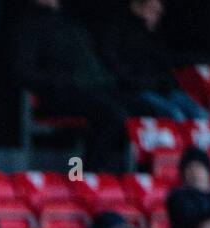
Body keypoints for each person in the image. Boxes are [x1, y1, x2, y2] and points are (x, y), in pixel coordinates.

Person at [12, 0, 130, 173]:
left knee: (142, 108)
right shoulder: (27, 26)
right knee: (113, 115)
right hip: (58, 97)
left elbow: (94, 67)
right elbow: (22, 71)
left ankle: (123, 182)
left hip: (95, 92)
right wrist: (62, 81)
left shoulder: (73, 25)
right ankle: (87, 174)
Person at [96, 0, 208, 120]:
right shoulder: (115, 32)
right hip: (137, 91)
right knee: (175, 116)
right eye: (152, 10)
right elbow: (117, 68)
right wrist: (143, 83)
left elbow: (166, 66)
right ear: (137, 7)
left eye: (158, 12)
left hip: (164, 90)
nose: (157, 15)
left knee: (202, 116)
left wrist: (167, 82)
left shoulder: (153, 37)